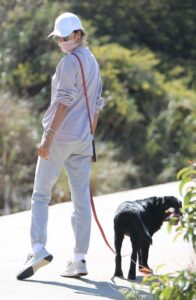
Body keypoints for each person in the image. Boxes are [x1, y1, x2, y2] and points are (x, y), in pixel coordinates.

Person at [16, 12, 104, 280]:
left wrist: (48, 136)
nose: (61, 43)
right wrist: (89, 136)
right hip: (82, 139)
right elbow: (97, 104)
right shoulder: (92, 61)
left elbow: (64, 100)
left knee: (41, 193)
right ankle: (79, 259)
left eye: (65, 38)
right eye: (58, 39)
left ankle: (38, 248)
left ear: (78, 35)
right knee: (81, 201)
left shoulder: (68, 63)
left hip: (61, 137)